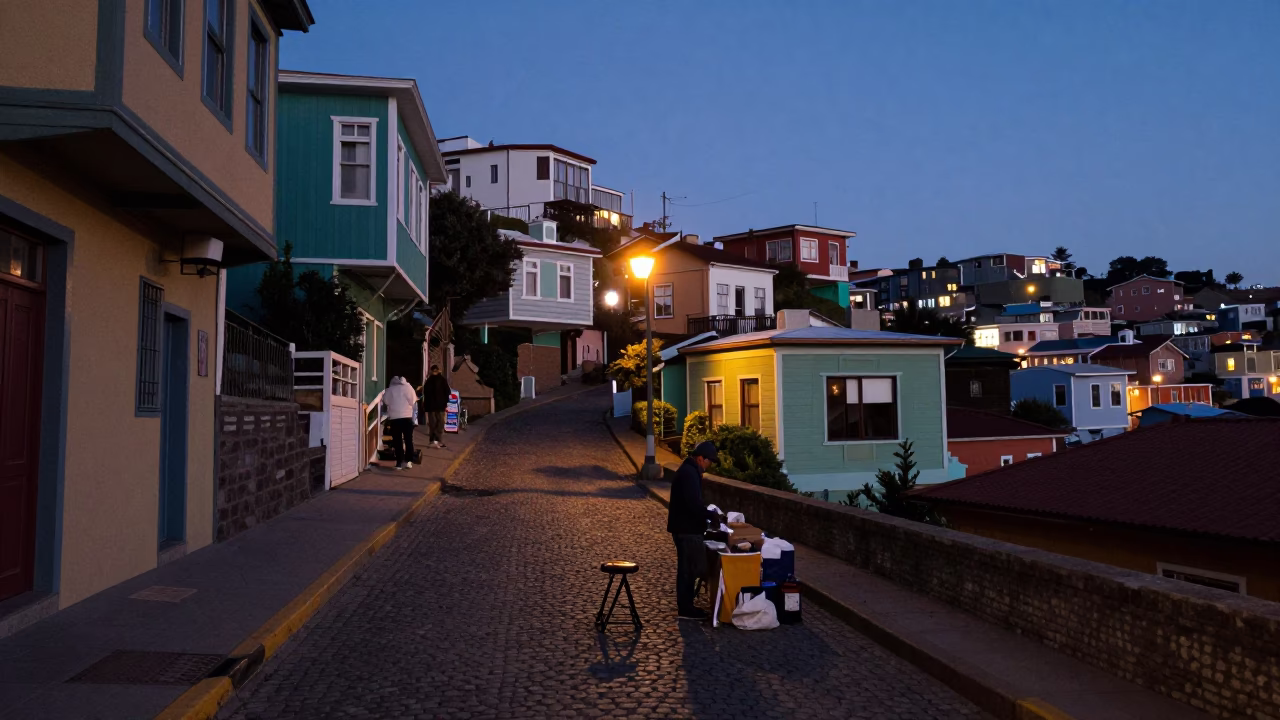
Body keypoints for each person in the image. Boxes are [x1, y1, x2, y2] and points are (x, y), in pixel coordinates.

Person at [667, 441, 721, 621]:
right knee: (688, 569)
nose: (709, 466)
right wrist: (709, 515)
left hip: (683, 527)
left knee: (687, 568)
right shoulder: (690, 474)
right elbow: (693, 504)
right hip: (686, 529)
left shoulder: (688, 471)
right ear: (700, 458)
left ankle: (686, 604)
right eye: (709, 462)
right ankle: (686, 607)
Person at [383, 376, 418, 470]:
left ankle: (399, 462)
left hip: (395, 418)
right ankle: (409, 461)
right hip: (407, 417)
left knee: (397, 441)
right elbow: (413, 401)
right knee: (408, 439)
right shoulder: (409, 388)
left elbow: (386, 401)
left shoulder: (390, 389)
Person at [422, 364, 451, 448]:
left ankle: (437, 439)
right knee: (434, 423)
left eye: (435, 371)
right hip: (433, 406)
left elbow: (447, 391)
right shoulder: (429, 381)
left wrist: (445, 401)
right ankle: (434, 440)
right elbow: (426, 393)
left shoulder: (441, 380)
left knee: (439, 423)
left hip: (439, 405)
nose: (434, 372)